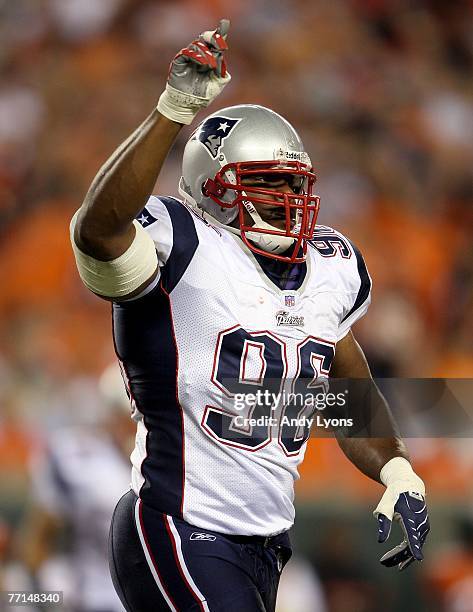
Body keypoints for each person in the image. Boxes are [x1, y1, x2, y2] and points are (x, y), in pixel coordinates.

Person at [70, 20, 430, 612]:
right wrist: (173, 110)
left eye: (295, 185)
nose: (287, 203)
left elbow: (345, 389)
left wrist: (397, 470)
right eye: (266, 185)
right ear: (214, 190)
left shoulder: (330, 268)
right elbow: (98, 228)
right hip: (176, 526)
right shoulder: (182, 244)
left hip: (265, 544)